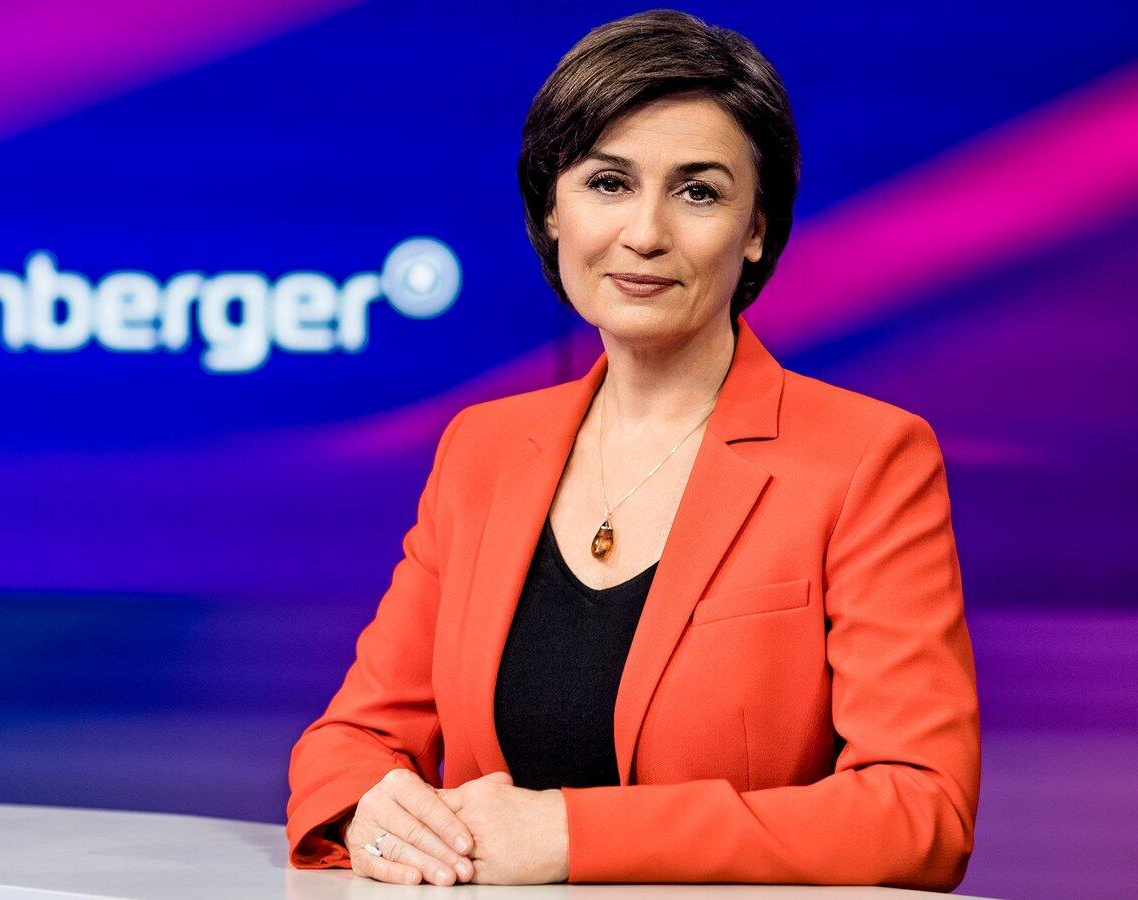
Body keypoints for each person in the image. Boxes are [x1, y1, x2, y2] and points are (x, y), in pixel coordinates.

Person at [284, 7, 981, 891]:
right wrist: (373, 812)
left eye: (699, 192)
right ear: (553, 211)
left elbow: (921, 811)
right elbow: (351, 741)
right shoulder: (483, 448)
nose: (646, 233)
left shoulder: (868, 458)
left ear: (756, 229)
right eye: (608, 182)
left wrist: (573, 834)